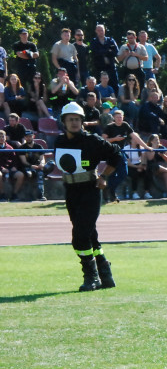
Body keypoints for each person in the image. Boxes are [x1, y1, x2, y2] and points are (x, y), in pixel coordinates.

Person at [53, 102, 123, 290]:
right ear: (64, 122)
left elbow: (117, 156)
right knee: (90, 234)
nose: (74, 123)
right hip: (71, 191)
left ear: (82, 122)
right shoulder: (59, 141)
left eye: (77, 119)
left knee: (80, 235)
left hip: (90, 191)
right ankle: (104, 272)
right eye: (70, 119)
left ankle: (91, 277)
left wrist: (104, 176)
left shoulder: (92, 140)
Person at [89, 25, 119, 95]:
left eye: (102, 30)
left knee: (115, 85)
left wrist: (102, 52)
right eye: (99, 30)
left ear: (104, 30)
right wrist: (108, 51)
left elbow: (116, 52)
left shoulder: (111, 40)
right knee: (98, 86)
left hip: (111, 67)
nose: (101, 32)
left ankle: (115, 101)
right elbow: (94, 53)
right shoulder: (93, 41)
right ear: (96, 31)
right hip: (98, 67)